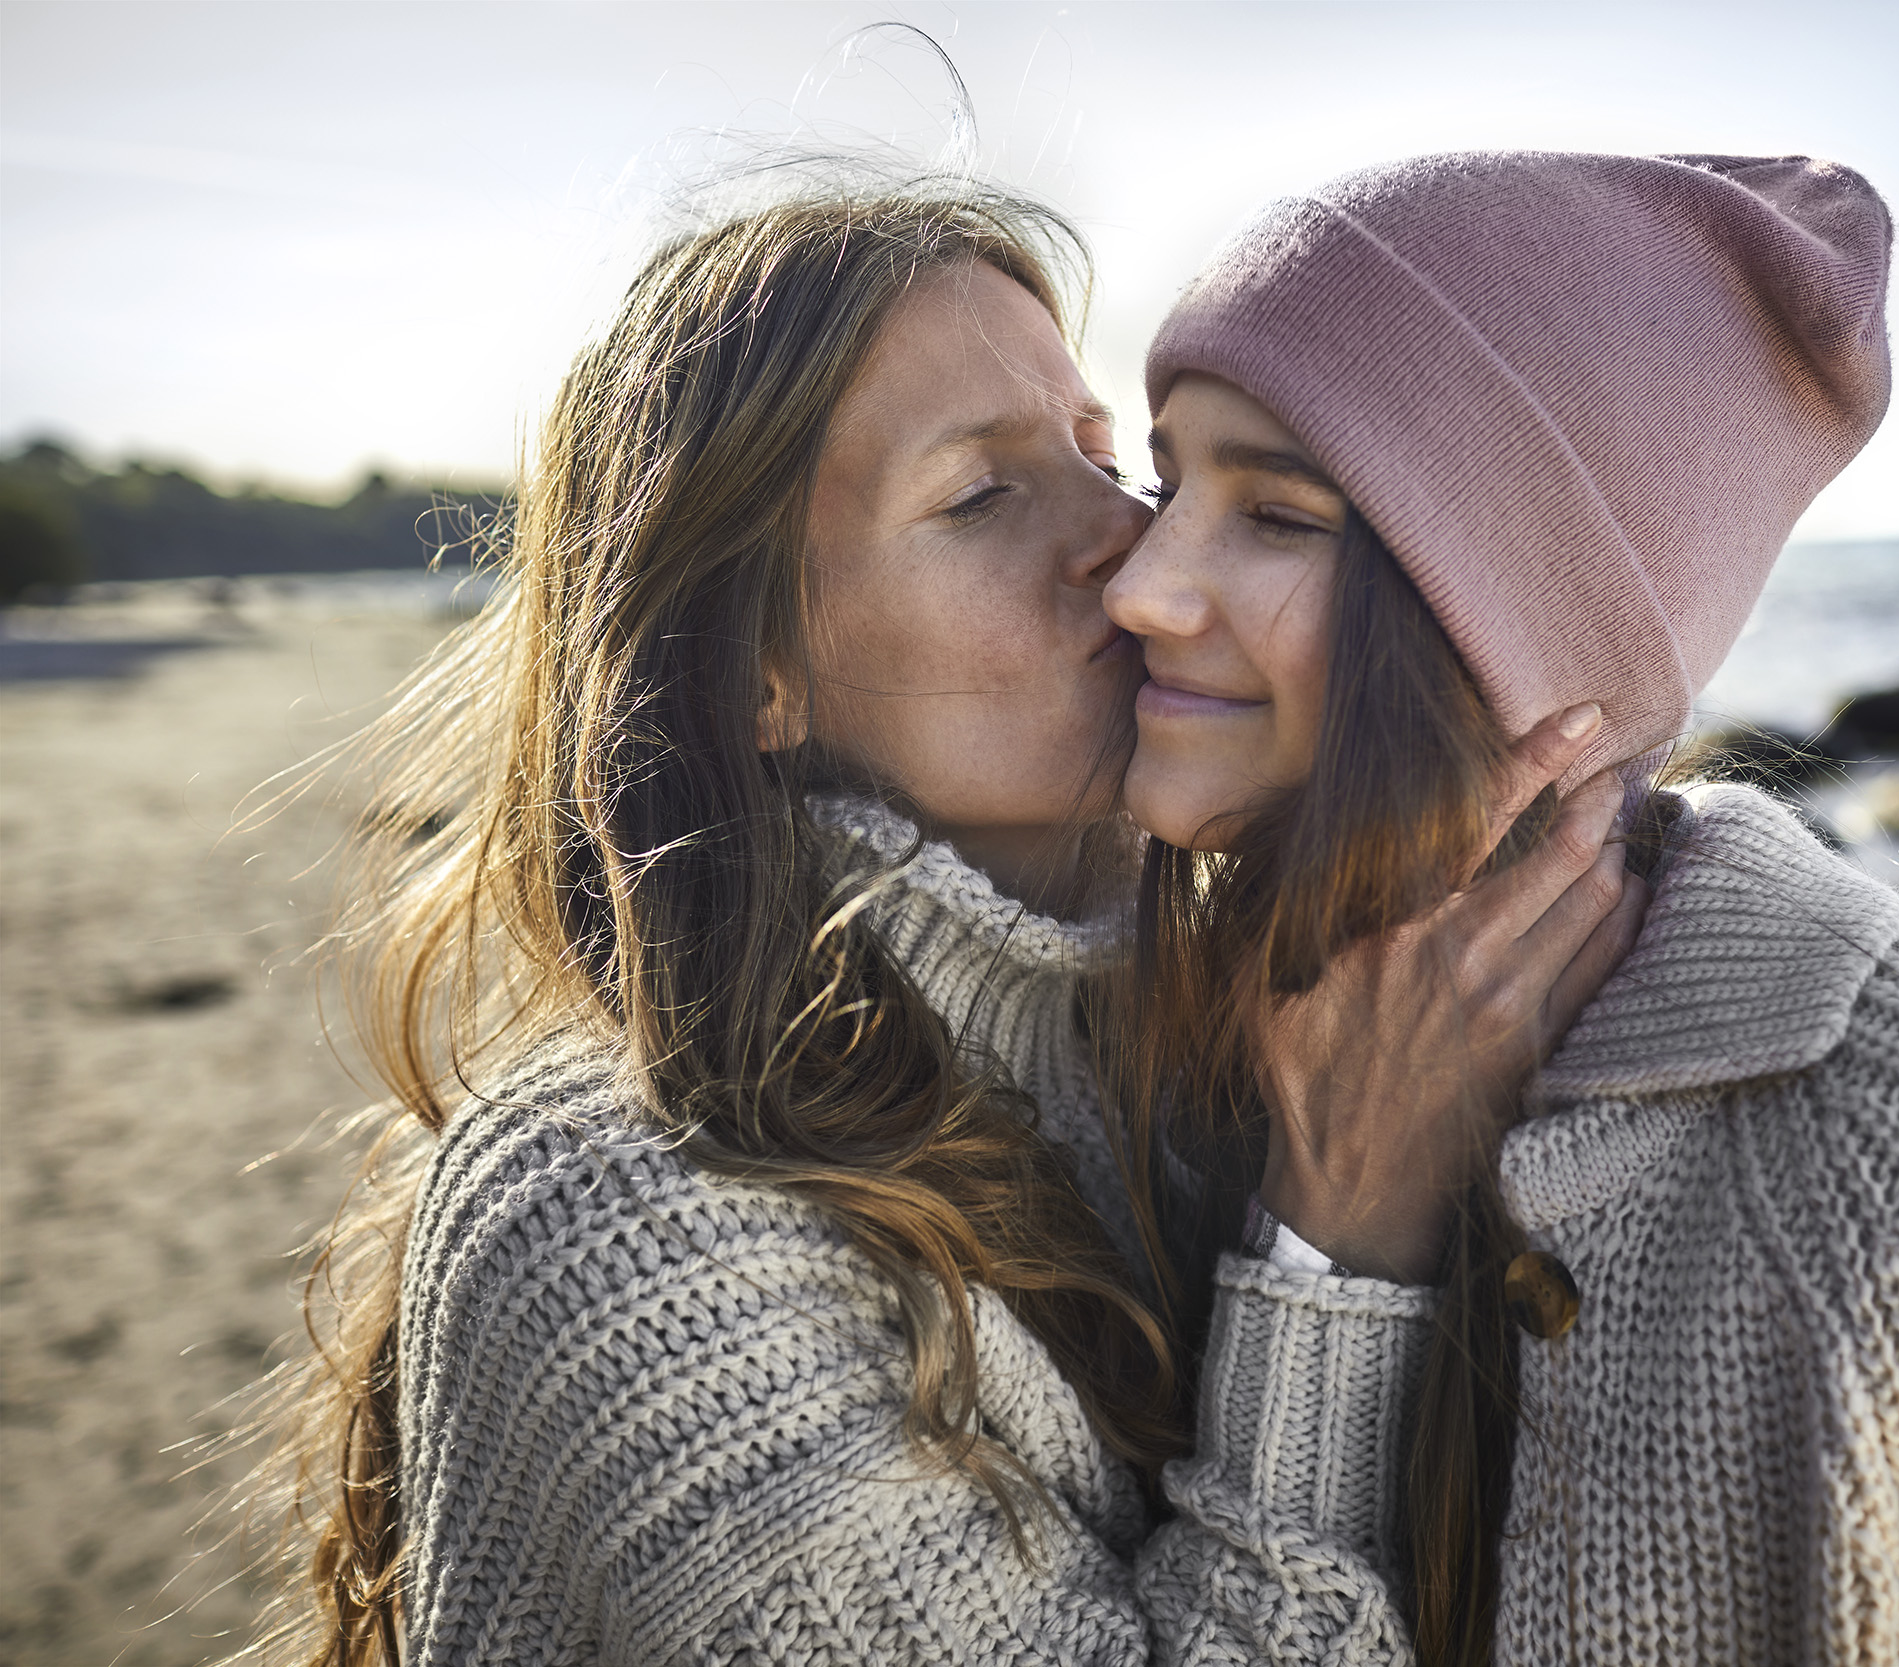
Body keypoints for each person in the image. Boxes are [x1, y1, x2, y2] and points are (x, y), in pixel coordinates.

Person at [258, 178, 1635, 1665]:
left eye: (1109, 459)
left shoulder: (1228, 1060)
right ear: (748, 677)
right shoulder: (614, 1214)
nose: (1136, 546)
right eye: (981, 496)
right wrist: (1336, 1248)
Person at [1105, 150, 1899, 1665]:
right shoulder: (1156, 1055)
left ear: (1521, 626)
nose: (1142, 581)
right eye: (1167, 476)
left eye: (1275, 516)